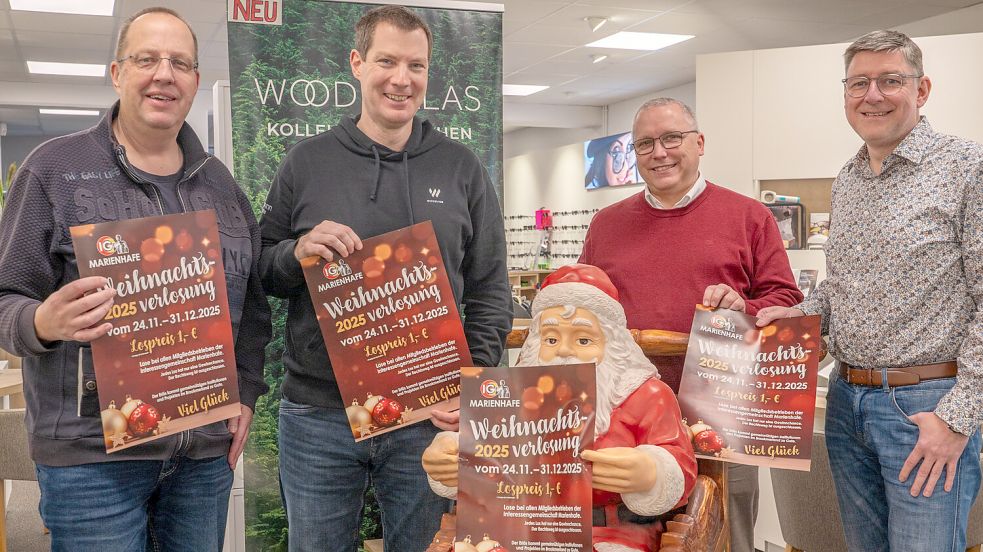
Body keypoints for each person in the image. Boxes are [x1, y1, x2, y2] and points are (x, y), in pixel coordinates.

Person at [0, 7, 271, 551]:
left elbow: (252, 306)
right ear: (117, 72)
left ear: (195, 81)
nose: (163, 74)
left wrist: (244, 393)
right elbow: (5, 298)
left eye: (180, 63)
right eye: (146, 59)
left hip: (200, 460)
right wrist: (43, 321)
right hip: (93, 464)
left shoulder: (220, 186)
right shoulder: (53, 169)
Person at [257, 5, 512, 551]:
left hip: (430, 415)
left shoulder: (462, 168)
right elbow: (261, 271)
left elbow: (491, 289)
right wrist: (295, 253)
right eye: (387, 61)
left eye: (416, 66)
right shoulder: (306, 162)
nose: (402, 79)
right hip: (319, 416)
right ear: (357, 63)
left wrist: (475, 382)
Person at [757, 30, 983, 552]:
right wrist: (793, 319)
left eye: (890, 81)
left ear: (921, 89)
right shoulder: (850, 178)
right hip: (846, 402)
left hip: (926, 405)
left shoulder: (967, 168)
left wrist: (956, 418)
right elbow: (842, 289)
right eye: (859, 83)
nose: (872, 95)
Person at [578, 97, 803, 552]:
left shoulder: (749, 217)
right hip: (627, 417)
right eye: (645, 144)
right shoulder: (606, 224)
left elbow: (786, 299)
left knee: (725, 527)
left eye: (671, 139)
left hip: (721, 411)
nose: (659, 152)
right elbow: (586, 302)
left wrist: (744, 304)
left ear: (699, 143)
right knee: (632, 532)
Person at [423, 264, 698, 551]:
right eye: (551, 339)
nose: (565, 350)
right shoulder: (513, 394)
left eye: (583, 339)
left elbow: (680, 461)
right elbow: (485, 448)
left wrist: (651, 471)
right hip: (517, 528)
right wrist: (451, 457)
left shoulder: (646, 395)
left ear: (613, 344)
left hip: (610, 533)